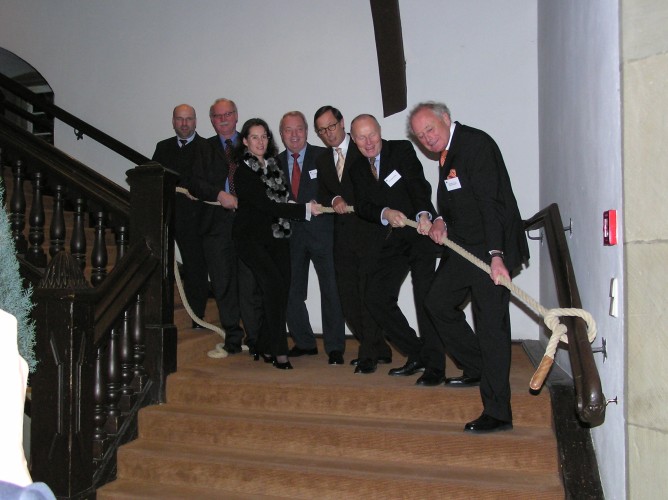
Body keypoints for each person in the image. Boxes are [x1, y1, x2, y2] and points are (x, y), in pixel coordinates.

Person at [408, 101, 529, 433]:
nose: (427, 138)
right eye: (420, 136)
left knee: (491, 327)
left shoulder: (476, 145)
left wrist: (497, 255)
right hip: (465, 247)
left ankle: (498, 412)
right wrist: (441, 220)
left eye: (430, 129)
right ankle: (477, 365)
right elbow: (456, 199)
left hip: (490, 248)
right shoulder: (447, 152)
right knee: (436, 301)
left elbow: (491, 204)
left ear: (446, 119)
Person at [348, 114, 441, 378]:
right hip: (392, 241)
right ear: (353, 140)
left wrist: (424, 214)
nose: (368, 142)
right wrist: (385, 212)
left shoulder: (401, 150)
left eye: (372, 135)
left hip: (419, 233)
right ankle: (417, 352)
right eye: (361, 138)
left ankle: (435, 367)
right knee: (375, 296)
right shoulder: (356, 169)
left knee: (426, 299)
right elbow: (363, 206)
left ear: (380, 131)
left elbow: (418, 184)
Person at [232, 118, 321, 370]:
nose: (260, 142)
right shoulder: (243, 171)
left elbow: (283, 200)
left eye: (264, 136)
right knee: (272, 287)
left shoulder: (273, 164)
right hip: (251, 239)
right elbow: (267, 206)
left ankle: (262, 344)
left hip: (277, 236)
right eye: (254, 137)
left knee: (281, 290)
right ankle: (279, 351)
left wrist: (302, 206)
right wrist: (304, 210)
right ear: (245, 141)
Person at [314, 106, 391, 374]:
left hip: (371, 233)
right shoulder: (323, 160)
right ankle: (379, 347)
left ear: (342, 123)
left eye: (331, 126)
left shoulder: (364, 148)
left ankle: (368, 354)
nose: (328, 133)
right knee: (348, 300)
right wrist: (334, 198)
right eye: (322, 130)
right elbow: (324, 192)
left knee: (368, 296)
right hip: (343, 238)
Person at [277, 111, 346, 365]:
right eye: (288, 130)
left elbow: (336, 192)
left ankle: (335, 347)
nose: (294, 135)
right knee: (291, 291)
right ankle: (304, 342)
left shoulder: (323, 156)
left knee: (331, 290)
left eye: (299, 129)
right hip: (290, 237)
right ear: (281, 134)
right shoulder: (274, 164)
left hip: (323, 234)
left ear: (307, 131)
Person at [206, 98, 263, 354]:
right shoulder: (204, 148)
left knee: (250, 282)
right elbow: (194, 180)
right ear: (212, 120)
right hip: (216, 225)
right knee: (223, 282)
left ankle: (255, 337)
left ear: (236, 116)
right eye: (218, 116)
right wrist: (218, 194)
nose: (223, 119)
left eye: (228, 114)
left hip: (248, 222)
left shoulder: (251, 142)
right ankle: (232, 337)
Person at [152, 104, 211, 327]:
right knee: (159, 264)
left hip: (195, 217)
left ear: (195, 121)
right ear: (173, 121)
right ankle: (158, 313)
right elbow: (154, 178)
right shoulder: (163, 147)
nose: (184, 124)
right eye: (180, 119)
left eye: (188, 119)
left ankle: (197, 315)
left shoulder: (206, 147)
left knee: (195, 265)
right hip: (167, 214)